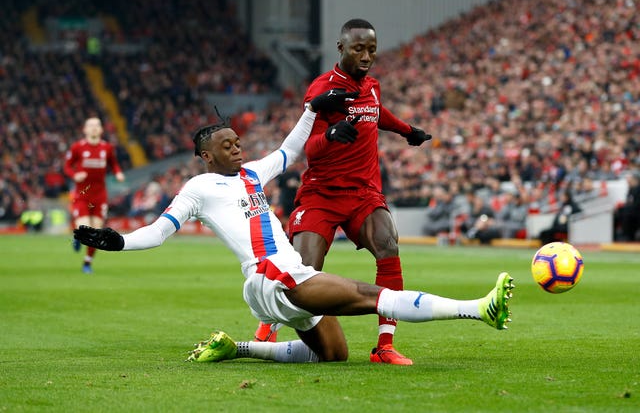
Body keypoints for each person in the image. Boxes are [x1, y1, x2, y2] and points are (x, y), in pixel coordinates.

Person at [73, 91, 514, 365]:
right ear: (206, 155)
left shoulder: (252, 175)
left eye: (236, 141)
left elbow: (289, 150)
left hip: (278, 279)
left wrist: (310, 111)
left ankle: (237, 349)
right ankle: (478, 309)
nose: (236, 147)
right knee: (367, 295)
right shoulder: (199, 187)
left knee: (334, 355)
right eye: (225, 145)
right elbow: (160, 230)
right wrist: (119, 242)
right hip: (274, 274)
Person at [260, 18, 433, 365]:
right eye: (358, 48)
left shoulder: (371, 86)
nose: (366, 55)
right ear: (341, 48)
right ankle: (268, 322)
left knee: (387, 243)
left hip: (363, 193)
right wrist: (331, 136)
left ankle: (384, 346)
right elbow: (308, 149)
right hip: (321, 195)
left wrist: (406, 130)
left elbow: (376, 112)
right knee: (302, 270)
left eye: (371, 48)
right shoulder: (323, 89)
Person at [64, 117, 125, 273]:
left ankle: (87, 263)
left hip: (99, 196)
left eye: (97, 125)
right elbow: (67, 166)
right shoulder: (77, 147)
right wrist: (75, 175)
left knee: (96, 233)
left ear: (101, 129)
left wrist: (118, 173)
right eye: (90, 125)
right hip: (82, 195)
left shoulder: (107, 148)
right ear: (84, 130)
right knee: (84, 226)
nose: (93, 128)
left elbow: (114, 163)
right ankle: (78, 237)